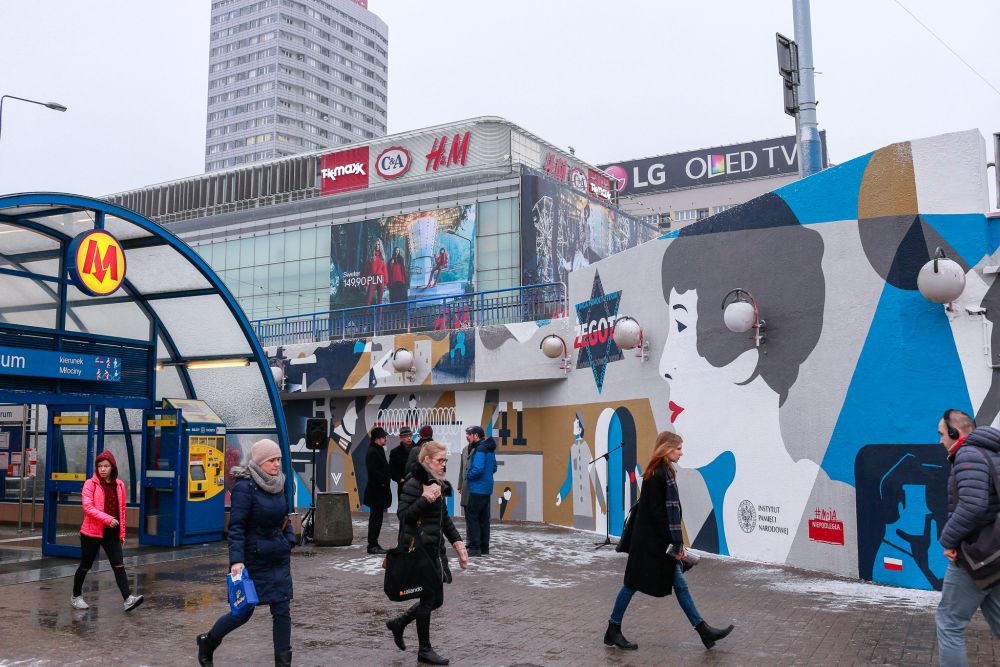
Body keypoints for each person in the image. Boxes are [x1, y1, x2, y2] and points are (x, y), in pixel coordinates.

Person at [605, 431, 734, 652]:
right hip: (651, 545)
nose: (681, 453)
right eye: (678, 448)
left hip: (653, 543)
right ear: (666, 448)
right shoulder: (658, 474)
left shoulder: (662, 472)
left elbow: (663, 514)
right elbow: (661, 516)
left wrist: (675, 544)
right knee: (631, 584)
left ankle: (703, 631)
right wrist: (676, 545)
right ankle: (613, 629)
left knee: (677, 585)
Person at [197, 440, 296, 667]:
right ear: (259, 462)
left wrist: (288, 539)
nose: (277, 464)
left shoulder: (279, 483)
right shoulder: (245, 487)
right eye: (272, 460)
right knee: (243, 611)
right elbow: (237, 528)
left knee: (282, 610)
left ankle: (283, 664)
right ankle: (208, 642)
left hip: (278, 558)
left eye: (278, 460)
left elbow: (284, 517)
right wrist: (237, 561)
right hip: (254, 559)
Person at [385, 441, 469, 665]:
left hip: (433, 550)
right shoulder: (414, 484)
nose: (444, 465)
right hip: (419, 550)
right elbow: (403, 515)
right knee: (428, 598)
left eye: (445, 460)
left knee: (436, 600)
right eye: (440, 460)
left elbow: (443, 519)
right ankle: (424, 649)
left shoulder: (436, 482)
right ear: (427, 460)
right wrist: (424, 499)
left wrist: (458, 543)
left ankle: (399, 623)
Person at [934, 409, 1000, 666]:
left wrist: (948, 541)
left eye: (942, 434)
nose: (940, 440)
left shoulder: (967, 454)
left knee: (949, 621)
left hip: (976, 554)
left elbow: (973, 506)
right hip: (995, 552)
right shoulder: (992, 452)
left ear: (955, 432)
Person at [71, 451, 144, 612]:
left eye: (106, 466)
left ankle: (128, 599)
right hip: (92, 532)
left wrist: (122, 533)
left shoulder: (119, 485)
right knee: (85, 565)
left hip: (111, 532)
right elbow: (88, 507)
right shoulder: (90, 484)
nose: (103, 469)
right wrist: (107, 519)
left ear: (112, 467)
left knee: (119, 565)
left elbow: (121, 510)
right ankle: (76, 596)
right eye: (100, 466)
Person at [464, 425, 497, 557]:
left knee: (472, 517)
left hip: (477, 489)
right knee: (484, 518)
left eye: (469, 434)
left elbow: (477, 468)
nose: (467, 436)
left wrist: (468, 475)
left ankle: (474, 548)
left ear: (476, 436)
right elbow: (494, 468)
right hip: (487, 488)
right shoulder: (489, 448)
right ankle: (484, 548)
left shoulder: (480, 449)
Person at [365, 427, 391, 555]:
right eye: (384, 437)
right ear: (377, 438)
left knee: (377, 519)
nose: (386, 439)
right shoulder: (373, 451)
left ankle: (374, 543)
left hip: (379, 491)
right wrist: (384, 480)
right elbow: (374, 472)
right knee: (375, 519)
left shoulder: (377, 449)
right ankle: (372, 545)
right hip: (376, 492)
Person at [388, 426, 415, 496]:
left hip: (417, 485)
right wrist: (400, 479)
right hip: (403, 486)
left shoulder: (418, 449)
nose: (409, 438)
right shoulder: (395, 452)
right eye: (406, 436)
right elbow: (391, 470)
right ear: (401, 438)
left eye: (410, 435)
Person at [367, 239, 388, 305]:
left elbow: (385, 270)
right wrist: (366, 282)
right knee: (368, 300)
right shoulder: (371, 256)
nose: (377, 246)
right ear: (374, 245)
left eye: (378, 244)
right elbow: (368, 270)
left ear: (380, 245)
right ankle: (367, 312)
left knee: (380, 301)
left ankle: (380, 312)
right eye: (376, 244)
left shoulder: (382, 257)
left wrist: (385, 283)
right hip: (373, 278)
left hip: (381, 278)